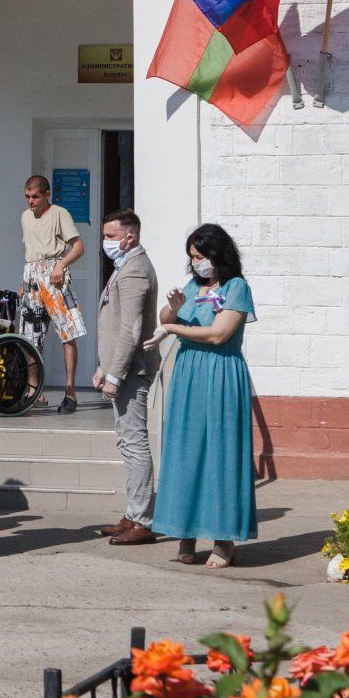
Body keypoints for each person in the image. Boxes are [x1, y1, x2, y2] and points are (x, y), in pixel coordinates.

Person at [147, 223, 257, 569]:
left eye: (200, 256)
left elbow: (217, 335)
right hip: (189, 372)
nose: (195, 263)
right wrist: (173, 309)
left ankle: (223, 540)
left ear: (217, 254)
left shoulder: (237, 287)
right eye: (191, 257)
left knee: (220, 454)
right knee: (185, 451)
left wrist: (171, 328)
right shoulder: (195, 286)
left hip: (221, 373)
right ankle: (185, 532)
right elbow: (167, 317)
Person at [90, 210, 161, 546]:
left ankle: (142, 520)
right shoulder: (125, 266)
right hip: (121, 368)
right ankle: (134, 513)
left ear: (129, 237)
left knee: (135, 444)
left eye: (111, 235)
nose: (106, 242)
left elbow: (131, 330)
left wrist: (116, 374)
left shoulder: (134, 270)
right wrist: (105, 366)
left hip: (133, 370)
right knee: (127, 442)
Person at [20, 175, 86, 413]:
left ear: (47, 194)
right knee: (30, 337)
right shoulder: (26, 217)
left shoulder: (59, 213)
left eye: (35, 196)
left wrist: (61, 265)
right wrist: (24, 282)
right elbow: (30, 250)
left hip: (54, 272)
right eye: (27, 196)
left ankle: (70, 392)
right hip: (32, 275)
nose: (31, 201)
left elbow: (78, 246)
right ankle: (34, 391)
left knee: (67, 333)